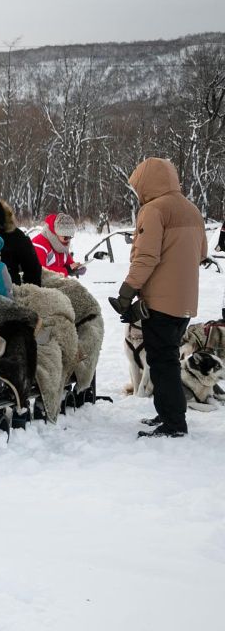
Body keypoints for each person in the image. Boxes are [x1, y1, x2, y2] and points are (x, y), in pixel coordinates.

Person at [115, 158, 206, 439]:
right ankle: (167, 414)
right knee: (167, 358)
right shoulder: (191, 210)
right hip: (185, 301)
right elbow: (202, 254)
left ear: (147, 183)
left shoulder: (153, 210)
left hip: (160, 301)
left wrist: (127, 291)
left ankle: (175, 423)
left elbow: (146, 256)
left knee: (162, 360)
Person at [32, 212, 87, 277]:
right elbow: (40, 271)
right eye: (66, 237)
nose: (68, 240)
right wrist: (66, 270)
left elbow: (68, 262)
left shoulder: (62, 244)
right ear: (56, 233)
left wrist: (75, 267)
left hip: (56, 281)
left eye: (70, 237)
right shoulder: (38, 245)